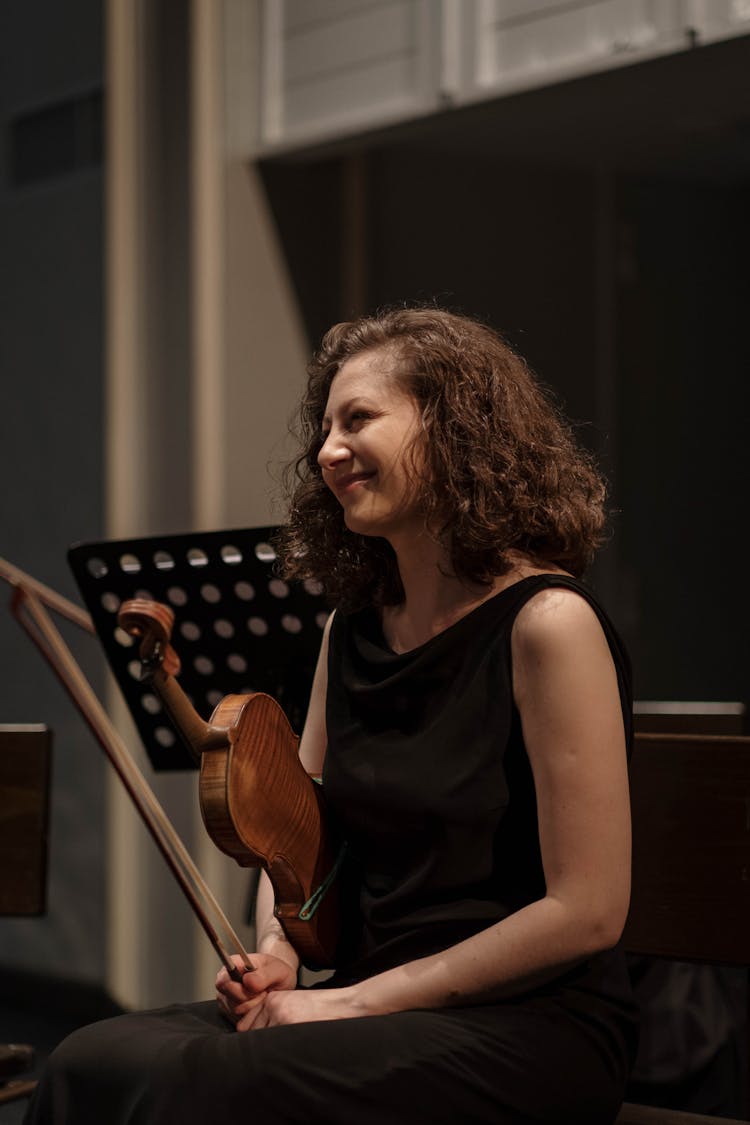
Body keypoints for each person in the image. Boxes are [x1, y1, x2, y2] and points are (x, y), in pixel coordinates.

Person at [24, 306, 638, 1124]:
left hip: (529, 1023)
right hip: (369, 1005)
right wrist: (281, 954)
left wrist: (351, 1004)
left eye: (359, 419)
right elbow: (300, 834)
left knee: (204, 1087)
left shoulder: (547, 623)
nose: (327, 451)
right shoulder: (350, 629)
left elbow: (588, 909)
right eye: (323, 428)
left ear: (455, 428)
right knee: (87, 1060)